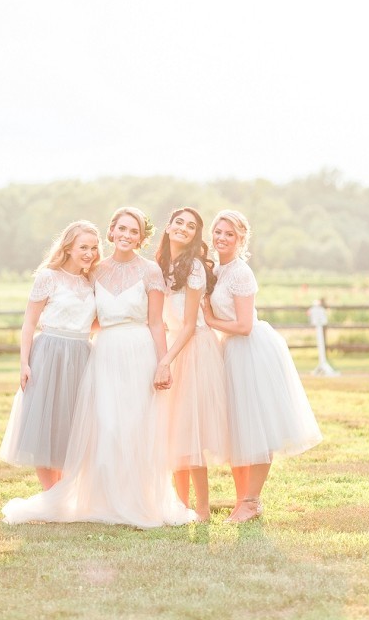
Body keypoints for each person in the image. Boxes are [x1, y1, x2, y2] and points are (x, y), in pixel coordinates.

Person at [2, 207, 195, 528]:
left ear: (142, 237)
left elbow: (157, 324)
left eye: (133, 231)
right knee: (105, 426)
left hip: (139, 351)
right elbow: (84, 314)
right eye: (122, 228)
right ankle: (104, 500)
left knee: (136, 426)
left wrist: (164, 363)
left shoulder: (149, 272)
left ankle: (139, 499)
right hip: (104, 354)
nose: (126, 235)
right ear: (111, 231)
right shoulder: (94, 271)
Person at [203, 209, 323, 523]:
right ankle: (242, 501)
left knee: (256, 427)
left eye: (230, 234)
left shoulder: (242, 273)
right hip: (229, 352)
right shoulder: (216, 268)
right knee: (238, 428)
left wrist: (208, 320)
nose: (222, 238)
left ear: (241, 239)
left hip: (251, 350)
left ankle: (252, 501)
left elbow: (243, 325)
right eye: (218, 232)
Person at [0, 220, 101, 489]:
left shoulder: (91, 280)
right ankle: (50, 493)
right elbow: (29, 323)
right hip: (48, 353)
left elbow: (96, 320)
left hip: (81, 355)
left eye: (93, 247)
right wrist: (24, 363)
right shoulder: (48, 277)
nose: (89, 253)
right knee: (46, 424)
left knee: (73, 426)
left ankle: (65, 493)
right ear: (68, 247)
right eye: (83, 247)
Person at [153, 207, 229, 522]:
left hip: (194, 346)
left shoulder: (194, 267)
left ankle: (202, 509)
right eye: (179, 222)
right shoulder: (157, 267)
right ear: (168, 227)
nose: (184, 228)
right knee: (173, 430)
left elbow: (187, 324)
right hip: (170, 347)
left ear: (195, 234)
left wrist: (166, 360)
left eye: (191, 225)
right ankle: (179, 505)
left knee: (191, 428)